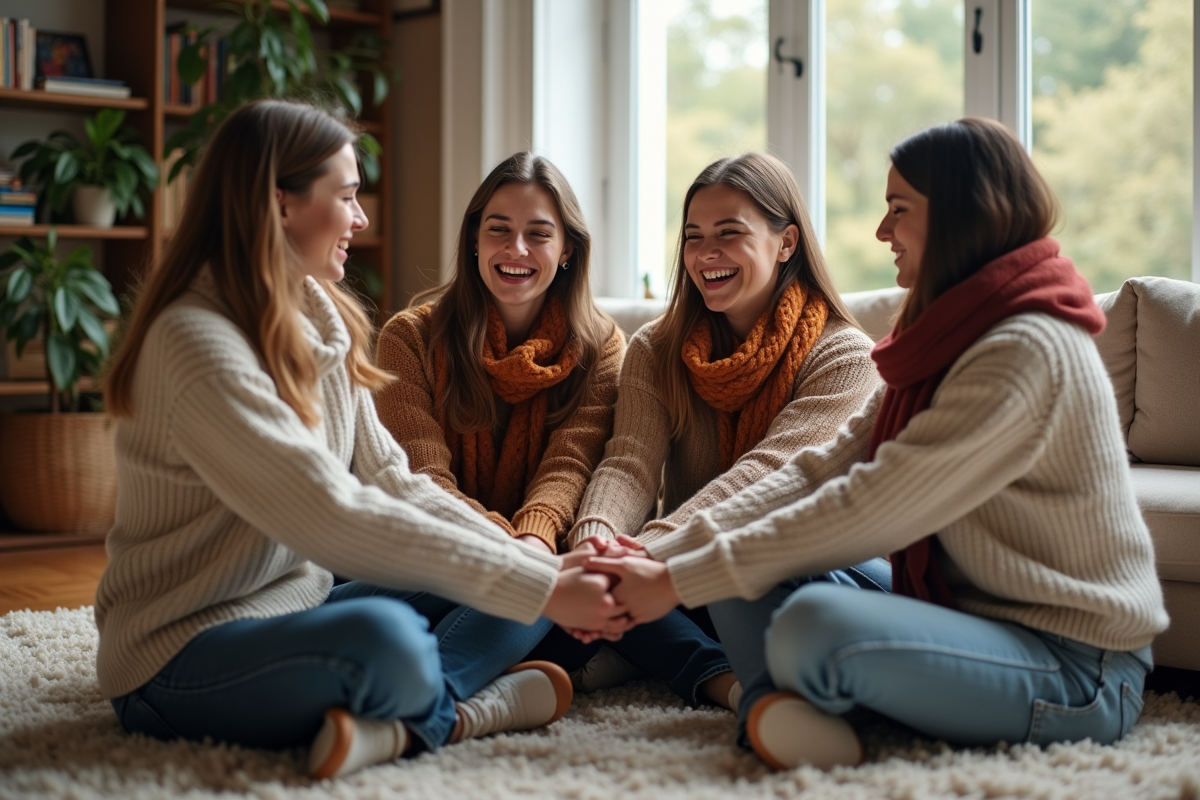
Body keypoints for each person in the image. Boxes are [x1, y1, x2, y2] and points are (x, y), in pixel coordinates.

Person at [583, 118, 1169, 770]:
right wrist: (670, 560)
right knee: (737, 551)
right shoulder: (942, 334)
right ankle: (788, 710)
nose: (881, 232)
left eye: (898, 211)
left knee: (810, 629)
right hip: (961, 615)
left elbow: (872, 507)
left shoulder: (1022, 348)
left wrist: (670, 576)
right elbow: (819, 469)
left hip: (1077, 666)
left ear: (958, 214)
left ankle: (773, 708)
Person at [98, 100, 625, 781]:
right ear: (279, 205)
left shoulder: (318, 315)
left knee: (509, 577)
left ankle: (410, 711)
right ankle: (474, 710)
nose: (361, 218)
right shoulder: (195, 343)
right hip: (179, 653)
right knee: (397, 640)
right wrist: (539, 589)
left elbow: (391, 481)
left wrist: (536, 572)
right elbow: (329, 512)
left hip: (296, 601)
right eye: (346, 197)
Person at [565, 152, 887, 711]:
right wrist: (597, 543)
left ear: (786, 243)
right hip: (686, 569)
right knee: (591, 590)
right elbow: (628, 464)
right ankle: (729, 685)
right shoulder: (657, 348)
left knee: (721, 576)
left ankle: (640, 649)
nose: (705, 254)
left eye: (728, 233)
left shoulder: (845, 356)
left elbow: (771, 478)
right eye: (693, 236)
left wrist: (646, 554)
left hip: (801, 569)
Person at [371, 152, 625, 709]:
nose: (516, 250)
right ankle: (517, 674)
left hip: (539, 555)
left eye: (539, 235)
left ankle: (421, 700)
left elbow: (572, 462)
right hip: (432, 552)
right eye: (498, 231)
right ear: (473, 242)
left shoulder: (602, 346)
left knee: (569, 592)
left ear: (567, 252)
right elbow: (422, 481)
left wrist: (532, 545)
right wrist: (518, 561)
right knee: (538, 595)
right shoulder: (409, 339)